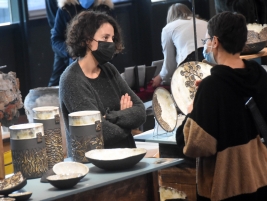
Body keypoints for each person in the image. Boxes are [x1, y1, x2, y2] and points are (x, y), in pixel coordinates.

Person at [176, 12, 267, 200]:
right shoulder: (260, 75)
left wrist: (192, 112)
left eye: (207, 39)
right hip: (264, 179)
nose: (206, 44)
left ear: (215, 41)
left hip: (228, 188)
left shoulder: (211, 87)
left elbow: (195, 146)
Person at [60, 11, 146, 157]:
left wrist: (112, 117)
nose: (111, 43)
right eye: (105, 38)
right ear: (87, 39)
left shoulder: (109, 69)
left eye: (112, 38)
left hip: (127, 156)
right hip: (94, 165)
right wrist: (127, 122)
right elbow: (98, 132)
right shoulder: (71, 80)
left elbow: (140, 111)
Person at [49, 0, 114, 87]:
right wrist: (72, 51)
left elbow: (115, 39)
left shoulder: (105, 8)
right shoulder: (66, 9)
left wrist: (106, 50)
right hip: (75, 64)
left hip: (101, 65)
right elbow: (56, 40)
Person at [152, 3, 207, 87]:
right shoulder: (204, 22)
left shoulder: (168, 28)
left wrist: (160, 77)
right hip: (209, 60)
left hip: (190, 62)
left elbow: (169, 63)